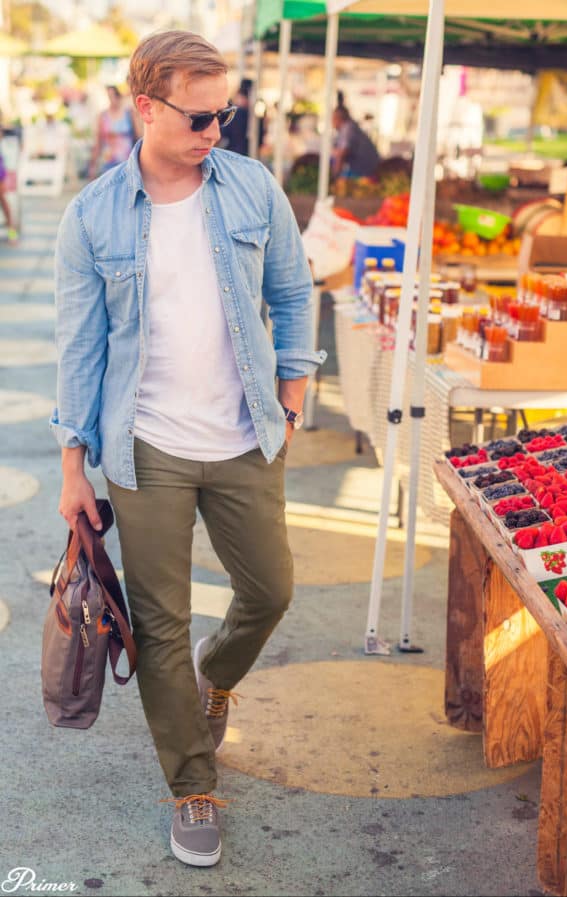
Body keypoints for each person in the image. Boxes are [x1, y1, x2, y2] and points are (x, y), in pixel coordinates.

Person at [51, 30, 326, 868]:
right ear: (146, 106)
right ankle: (191, 782)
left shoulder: (250, 187)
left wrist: (293, 386)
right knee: (160, 622)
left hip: (246, 435)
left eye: (227, 114)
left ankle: (217, 675)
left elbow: (291, 286)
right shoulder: (93, 214)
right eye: (201, 116)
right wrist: (73, 463)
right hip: (148, 448)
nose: (218, 131)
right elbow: (81, 346)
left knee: (271, 588)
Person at [88, 85, 138, 178]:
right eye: (108, 96)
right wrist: (93, 165)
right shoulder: (102, 116)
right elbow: (98, 140)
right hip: (108, 161)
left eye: (112, 96)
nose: (110, 99)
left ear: (118, 96)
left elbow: (137, 136)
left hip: (127, 161)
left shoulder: (128, 113)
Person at [331, 104, 381, 179]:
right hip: (367, 168)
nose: (331, 122)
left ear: (337, 118)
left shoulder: (348, 129)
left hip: (364, 172)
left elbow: (342, 154)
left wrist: (333, 177)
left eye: (332, 119)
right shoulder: (350, 126)